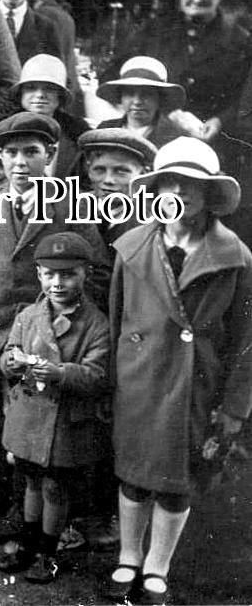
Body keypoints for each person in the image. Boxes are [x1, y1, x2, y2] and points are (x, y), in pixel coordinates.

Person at [105, 137, 252, 606]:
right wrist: (113, 381)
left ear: (209, 193)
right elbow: (117, 320)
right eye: (168, 182)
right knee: (134, 473)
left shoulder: (235, 257)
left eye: (191, 184)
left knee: (177, 480)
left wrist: (234, 406)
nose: (178, 192)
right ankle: (129, 555)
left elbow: (245, 341)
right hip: (140, 379)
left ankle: (158, 565)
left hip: (196, 385)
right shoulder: (132, 248)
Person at [0, 112, 109, 482]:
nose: (20, 162)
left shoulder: (69, 205)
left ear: (50, 154)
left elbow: (99, 270)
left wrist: (64, 317)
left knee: (16, 422)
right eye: (11, 153)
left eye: (31, 152)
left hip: (37, 335)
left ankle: (7, 493)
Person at [0, 232, 111, 584]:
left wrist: (62, 373)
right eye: (49, 274)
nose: (57, 283)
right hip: (30, 418)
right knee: (31, 481)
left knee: (55, 488)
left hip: (64, 423)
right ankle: (29, 543)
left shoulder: (96, 324)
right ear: (39, 275)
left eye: (68, 274)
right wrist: (10, 363)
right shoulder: (28, 315)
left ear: (85, 274)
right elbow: (10, 350)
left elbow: (97, 375)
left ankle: (48, 551)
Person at [110, 0, 252, 142]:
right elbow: (113, 75)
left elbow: (245, 98)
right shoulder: (153, 31)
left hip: (211, 139)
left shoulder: (241, 41)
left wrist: (219, 121)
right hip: (151, 135)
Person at [77, 128, 157, 256]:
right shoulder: (71, 207)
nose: (108, 180)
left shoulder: (150, 221)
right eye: (99, 170)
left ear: (143, 174)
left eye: (121, 172)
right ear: (88, 169)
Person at [12, 54, 88, 178]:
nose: (40, 95)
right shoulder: (2, 131)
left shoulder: (77, 135)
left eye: (49, 89)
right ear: (21, 93)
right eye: (31, 88)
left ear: (60, 96)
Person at [95, 56, 190, 149]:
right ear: (121, 97)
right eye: (130, 94)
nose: (137, 101)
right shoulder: (105, 130)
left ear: (159, 98)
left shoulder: (175, 137)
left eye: (146, 94)